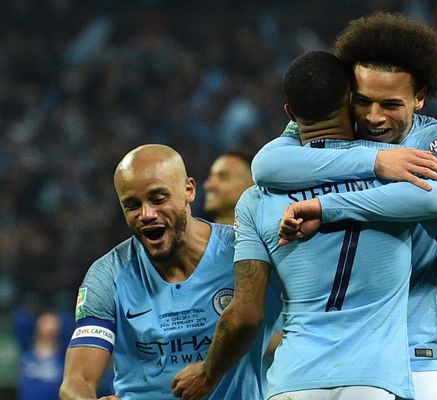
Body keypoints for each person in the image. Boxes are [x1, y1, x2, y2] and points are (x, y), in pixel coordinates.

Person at [171, 50, 437, 400]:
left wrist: (208, 372)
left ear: (290, 114)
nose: (375, 116)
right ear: (350, 101)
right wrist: (425, 293)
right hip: (372, 380)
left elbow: (246, 313)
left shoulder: (257, 198)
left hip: (292, 380)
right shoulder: (398, 183)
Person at [250, 12, 437, 400]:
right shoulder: (335, 125)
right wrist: (377, 161)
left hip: (415, 346)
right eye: (363, 102)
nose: (374, 118)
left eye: (391, 104)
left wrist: (327, 208)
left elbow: (436, 197)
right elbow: (266, 165)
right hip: (337, 357)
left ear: (419, 96)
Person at [59, 144, 276, 400]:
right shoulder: (108, 275)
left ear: (189, 190)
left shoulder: (243, 253)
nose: (146, 214)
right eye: (131, 205)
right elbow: (76, 382)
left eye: (158, 199)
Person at [203, 149, 255, 225]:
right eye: (211, 176)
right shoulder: (187, 236)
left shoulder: (274, 235)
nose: (208, 186)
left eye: (223, 177)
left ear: (252, 186)